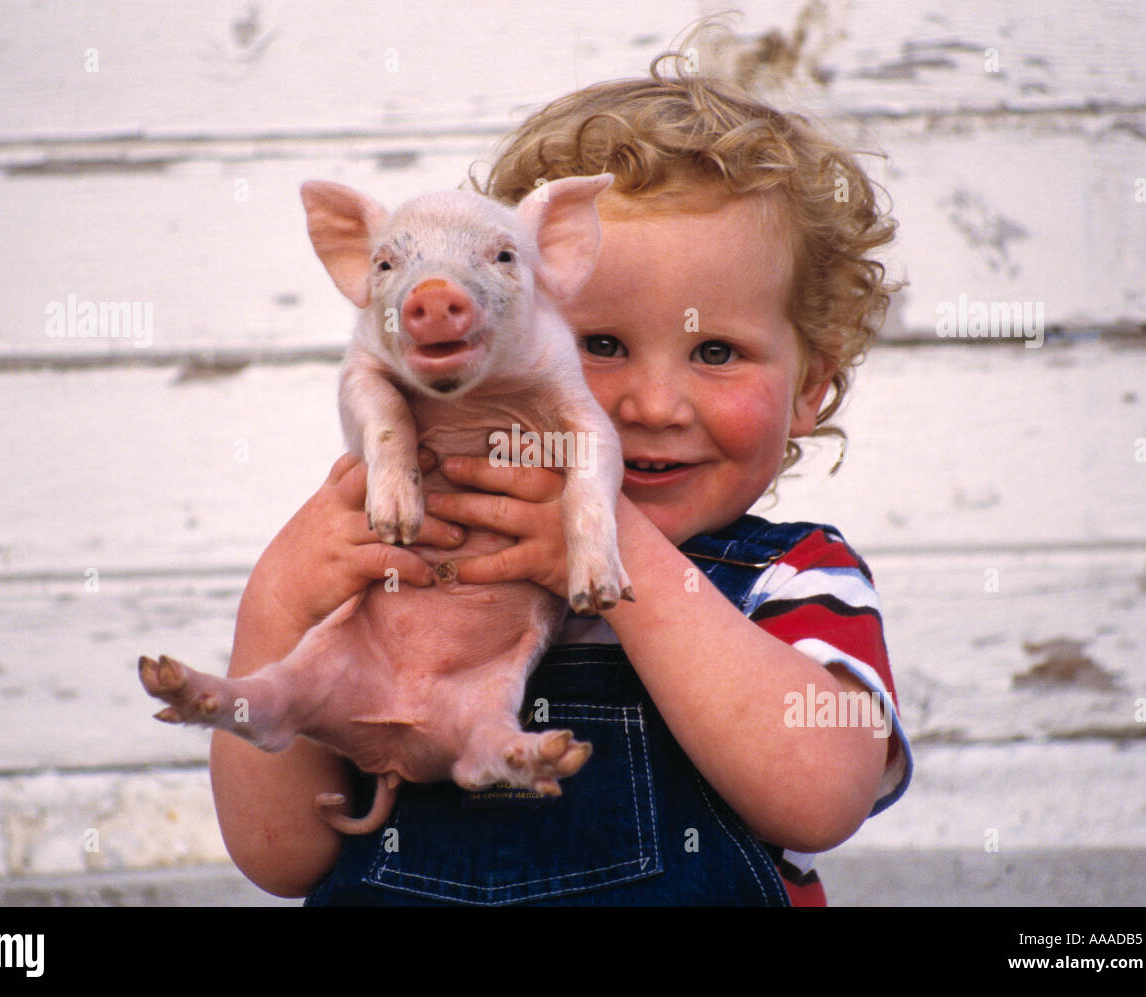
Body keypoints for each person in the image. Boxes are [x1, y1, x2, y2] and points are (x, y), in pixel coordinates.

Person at [210, 39, 911, 906]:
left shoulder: (794, 574)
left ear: (809, 388)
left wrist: (618, 551)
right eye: (601, 345)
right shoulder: (413, 542)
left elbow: (819, 797)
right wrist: (281, 597)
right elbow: (278, 852)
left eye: (717, 351)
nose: (655, 403)